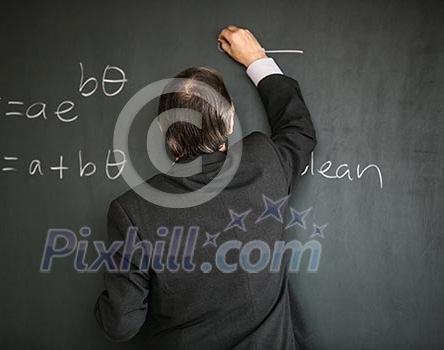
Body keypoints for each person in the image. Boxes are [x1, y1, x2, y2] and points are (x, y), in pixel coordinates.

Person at [94, 25, 317, 349]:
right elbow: (298, 128)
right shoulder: (265, 162)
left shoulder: (132, 212)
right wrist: (257, 59)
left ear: (163, 129)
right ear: (229, 121)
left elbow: (120, 325)